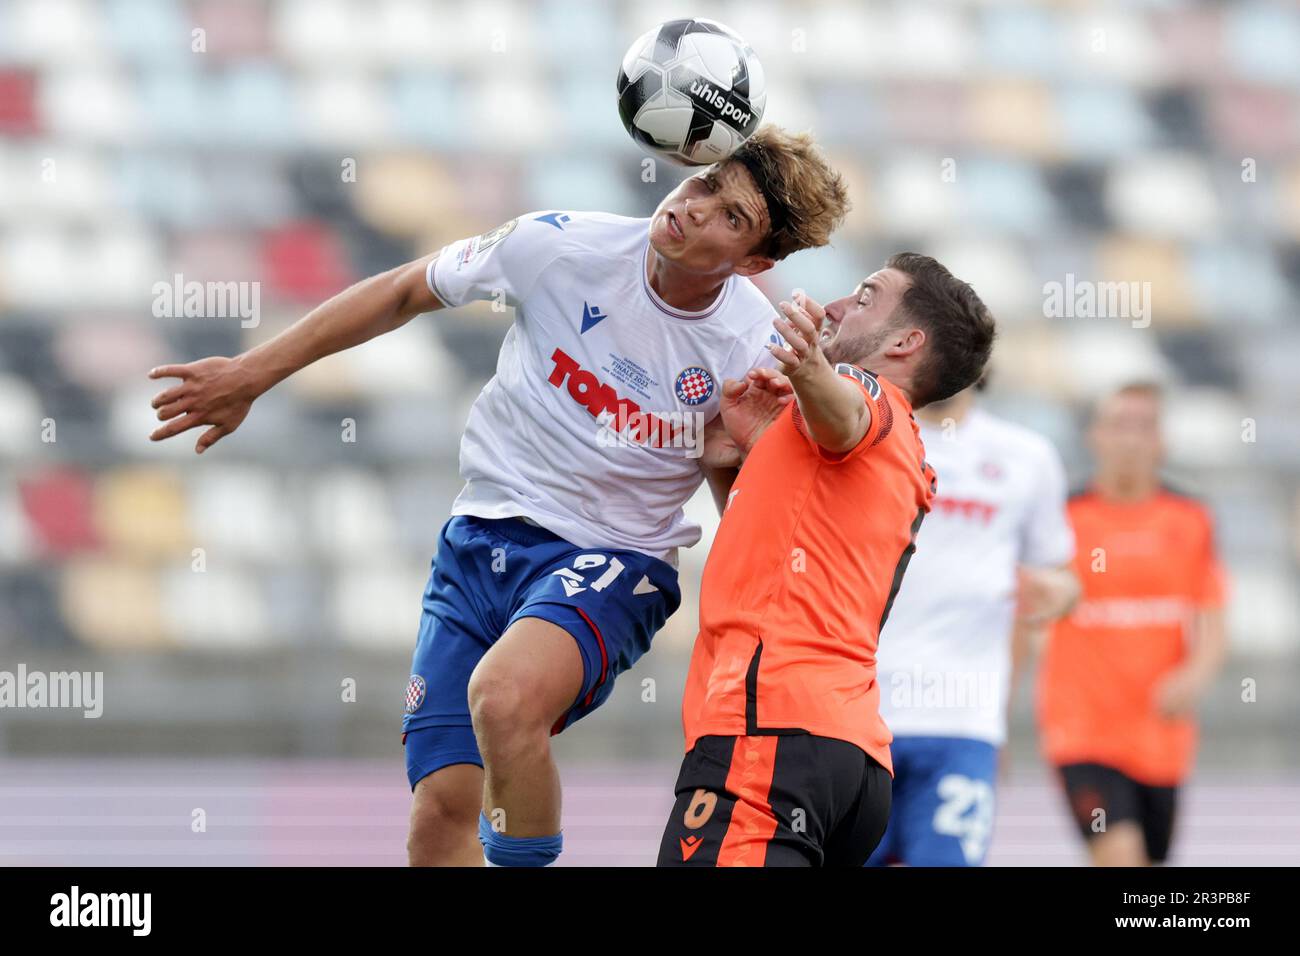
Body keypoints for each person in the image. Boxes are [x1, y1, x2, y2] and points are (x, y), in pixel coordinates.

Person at [145, 125, 850, 866]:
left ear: (756, 260)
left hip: (616, 558)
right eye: (705, 184)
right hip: (478, 539)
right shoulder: (558, 246)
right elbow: (402, 291)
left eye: (732, 217)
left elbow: (742, 501)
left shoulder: (753, 347)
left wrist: (734, 466)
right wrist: (253, 374)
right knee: (440, 812)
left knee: (505, 697)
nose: (696, 208)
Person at [657, 253, 996, 866]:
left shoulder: (868, 392)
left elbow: (847, 418)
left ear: (905, 341)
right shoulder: (902, 452)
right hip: (847, 754)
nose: (838, 305)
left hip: (768, 728)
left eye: (866, 297)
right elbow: (781, 534)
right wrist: (734, 463)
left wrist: (809, 361)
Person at [866, 380, 1079, 867]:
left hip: (963, 720)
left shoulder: (1026, 456)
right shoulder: (865, 438)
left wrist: (1057, 594)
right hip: (856, 718)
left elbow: (1062, 579)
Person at [1036, 382, 1228, 866]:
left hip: (1161, 736)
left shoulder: (1190, 519)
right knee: (1120, 856)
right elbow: (1026, 612)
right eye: (1118, 424)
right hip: (1082, 731)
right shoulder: (1063, 516)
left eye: (1144, 426)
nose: (1131, 439)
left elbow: (1213, 615)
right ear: (1095, 436)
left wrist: (1195, 676)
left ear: (1163, 441)